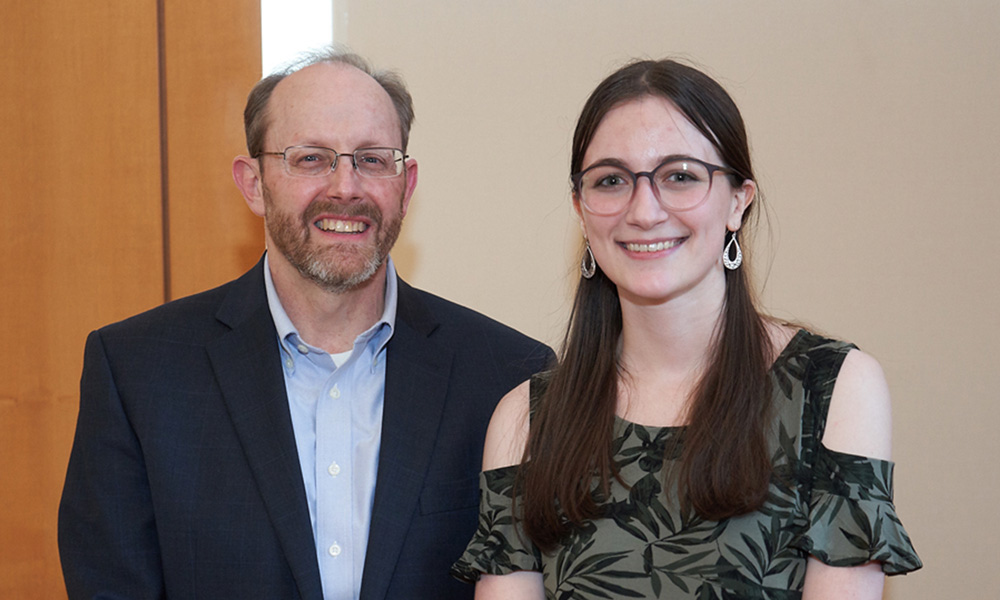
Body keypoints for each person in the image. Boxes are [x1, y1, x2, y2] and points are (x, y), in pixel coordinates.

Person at [58, 47, 553, 600]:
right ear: (253, 183)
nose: (346, 187)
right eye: (311, 158)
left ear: (406, 185)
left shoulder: (510, 377)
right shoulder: (136, 373)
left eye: (371, 159)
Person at [452, 58, 921, 598]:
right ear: (581, 209)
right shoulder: (527, 419)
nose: (644, 211)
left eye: (679, 176)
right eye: (611, 180)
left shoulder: (834, 388)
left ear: (738, 201)